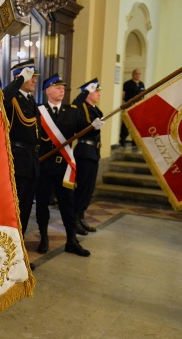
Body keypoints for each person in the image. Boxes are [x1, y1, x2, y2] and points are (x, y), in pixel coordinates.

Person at [35, 74, 90, 257]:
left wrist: (94, 127)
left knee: (68, 203)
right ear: (48, 90)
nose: (62, 90)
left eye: (63, 88)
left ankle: (71, 240)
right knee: (42, 203)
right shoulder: (39, 111)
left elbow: (83, 130)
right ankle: (44, 237)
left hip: (63, 165)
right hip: (43, 166)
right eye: (58, 87)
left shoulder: (72, 111)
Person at [2, 59, 40, 237]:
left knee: (25, 210)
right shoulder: (13, 98)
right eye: (30, 77)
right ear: (20, 77)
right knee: (13, 210)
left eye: (34, 77)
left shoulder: (31, 101)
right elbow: (0, 99)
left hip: (31, 162)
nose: (34, 80)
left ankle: (20, 250)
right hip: (17, 162)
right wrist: (17, 82)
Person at [72, 78, 104, 235]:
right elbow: (79, 125)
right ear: (88, 93)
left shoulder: (95, 109)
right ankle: (74, 220)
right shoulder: (81, 108)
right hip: (84, 151)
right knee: (82, 187)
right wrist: (91, 126)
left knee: (88, 189)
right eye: (95, 91)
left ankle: (81, 217)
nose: (98, 93)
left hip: (94, 153)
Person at [120, 69, 144, 147]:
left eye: (139, 74)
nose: (138, 75)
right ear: (133, 74)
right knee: (126, 123)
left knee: (136, 124)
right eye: (136, 73)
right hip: (129, 107)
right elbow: (123, 95)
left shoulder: (141, 84)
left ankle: (135, 141)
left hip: (138, 107)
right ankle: (122, 139)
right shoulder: (127, 84)